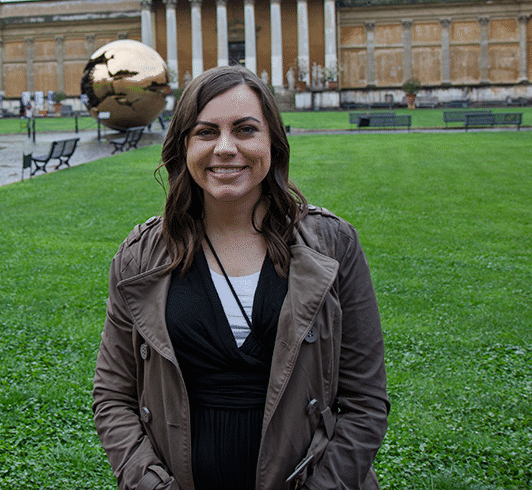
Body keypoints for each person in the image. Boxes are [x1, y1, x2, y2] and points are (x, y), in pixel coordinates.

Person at [93, 65, 388, 490]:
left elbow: (365, 400)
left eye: (246, 129)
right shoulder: (140, 255)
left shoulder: (334, 244)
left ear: (273, 141)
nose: (226, 148)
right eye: (206, 132)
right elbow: (113, 397)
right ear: (183, 145)